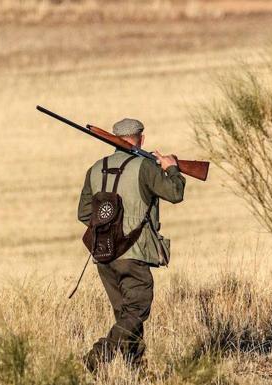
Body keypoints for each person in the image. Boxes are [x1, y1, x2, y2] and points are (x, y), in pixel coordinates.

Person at [76, 118, 185, 372]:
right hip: (133, 251)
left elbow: (84, 214)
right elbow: (175, 193)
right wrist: (171, 168)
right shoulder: (144, 167)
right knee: (137, 309)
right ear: (141, 139)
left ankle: (137, 370)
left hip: (103, 254)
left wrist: (109, 223)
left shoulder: (95, 168)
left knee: (126, 315)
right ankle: (98, 355)